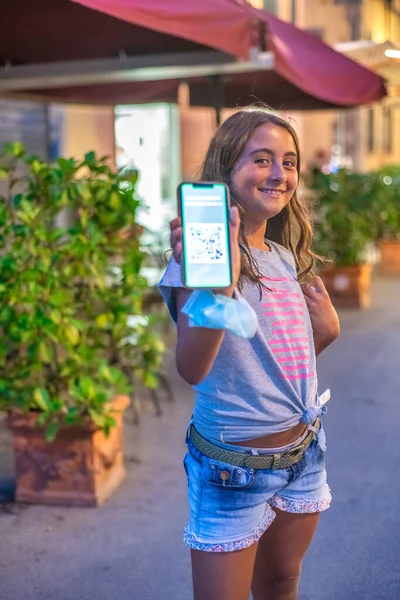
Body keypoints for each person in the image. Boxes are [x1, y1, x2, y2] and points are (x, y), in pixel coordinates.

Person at [158, 106, 340, 600]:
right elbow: (193, 366)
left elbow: (271, 365)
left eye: (289, 161)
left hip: (304, 453)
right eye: (261, 159)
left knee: (282, 584)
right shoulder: (198, 268)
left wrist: (323, 335)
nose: (279, 173)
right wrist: (216, 288)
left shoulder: (282, 257)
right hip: (233, 466)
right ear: (225, 167)